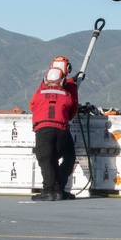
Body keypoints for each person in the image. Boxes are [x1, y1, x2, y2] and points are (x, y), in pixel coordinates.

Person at [30, 55, 79, 201]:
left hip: (43, 128)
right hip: (62, 128)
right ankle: (58, 190)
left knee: (46, 160)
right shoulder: (67, 94)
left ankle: (49, 191)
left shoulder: (39, 92)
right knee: (68, 157)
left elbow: (32, 106)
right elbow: (72, 109)